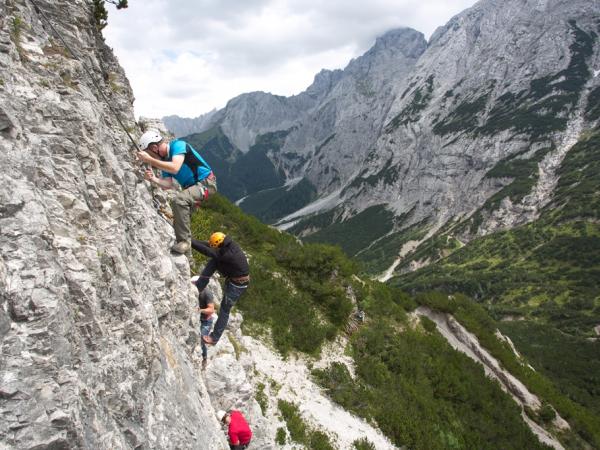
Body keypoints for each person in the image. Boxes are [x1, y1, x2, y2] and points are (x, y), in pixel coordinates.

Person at [137, 129, 217, 254]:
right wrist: (153, 178)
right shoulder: (165, 161)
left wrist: (150, 160)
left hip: (206, 183)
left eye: (151, 154)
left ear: (154, 148)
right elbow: (167, 184)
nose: (151, 157)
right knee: (179, 222)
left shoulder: (178, 146)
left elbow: (175, 168)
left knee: (179, 201)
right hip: (193, 187)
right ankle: (187, 254)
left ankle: (184, 243)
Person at [192, 232, 249, 346]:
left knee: (224, 310)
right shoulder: (228, 244)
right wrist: (189, 238)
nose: (213, 247)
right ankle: (198, 287)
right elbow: (208, 245)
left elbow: (207, 251)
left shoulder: (228, 254)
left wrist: (189, 241)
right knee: (214, 261)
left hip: (237, 286)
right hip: (234, 279)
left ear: (219, 243)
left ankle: (214, 338)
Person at [197, 289, 215, 370]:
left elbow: (211, 310)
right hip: (199, 319)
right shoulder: (196, 290)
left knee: (202, 339)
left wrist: (200, 310)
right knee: (199, 339)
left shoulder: (207, 293)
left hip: (206, 321)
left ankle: (204, 358)